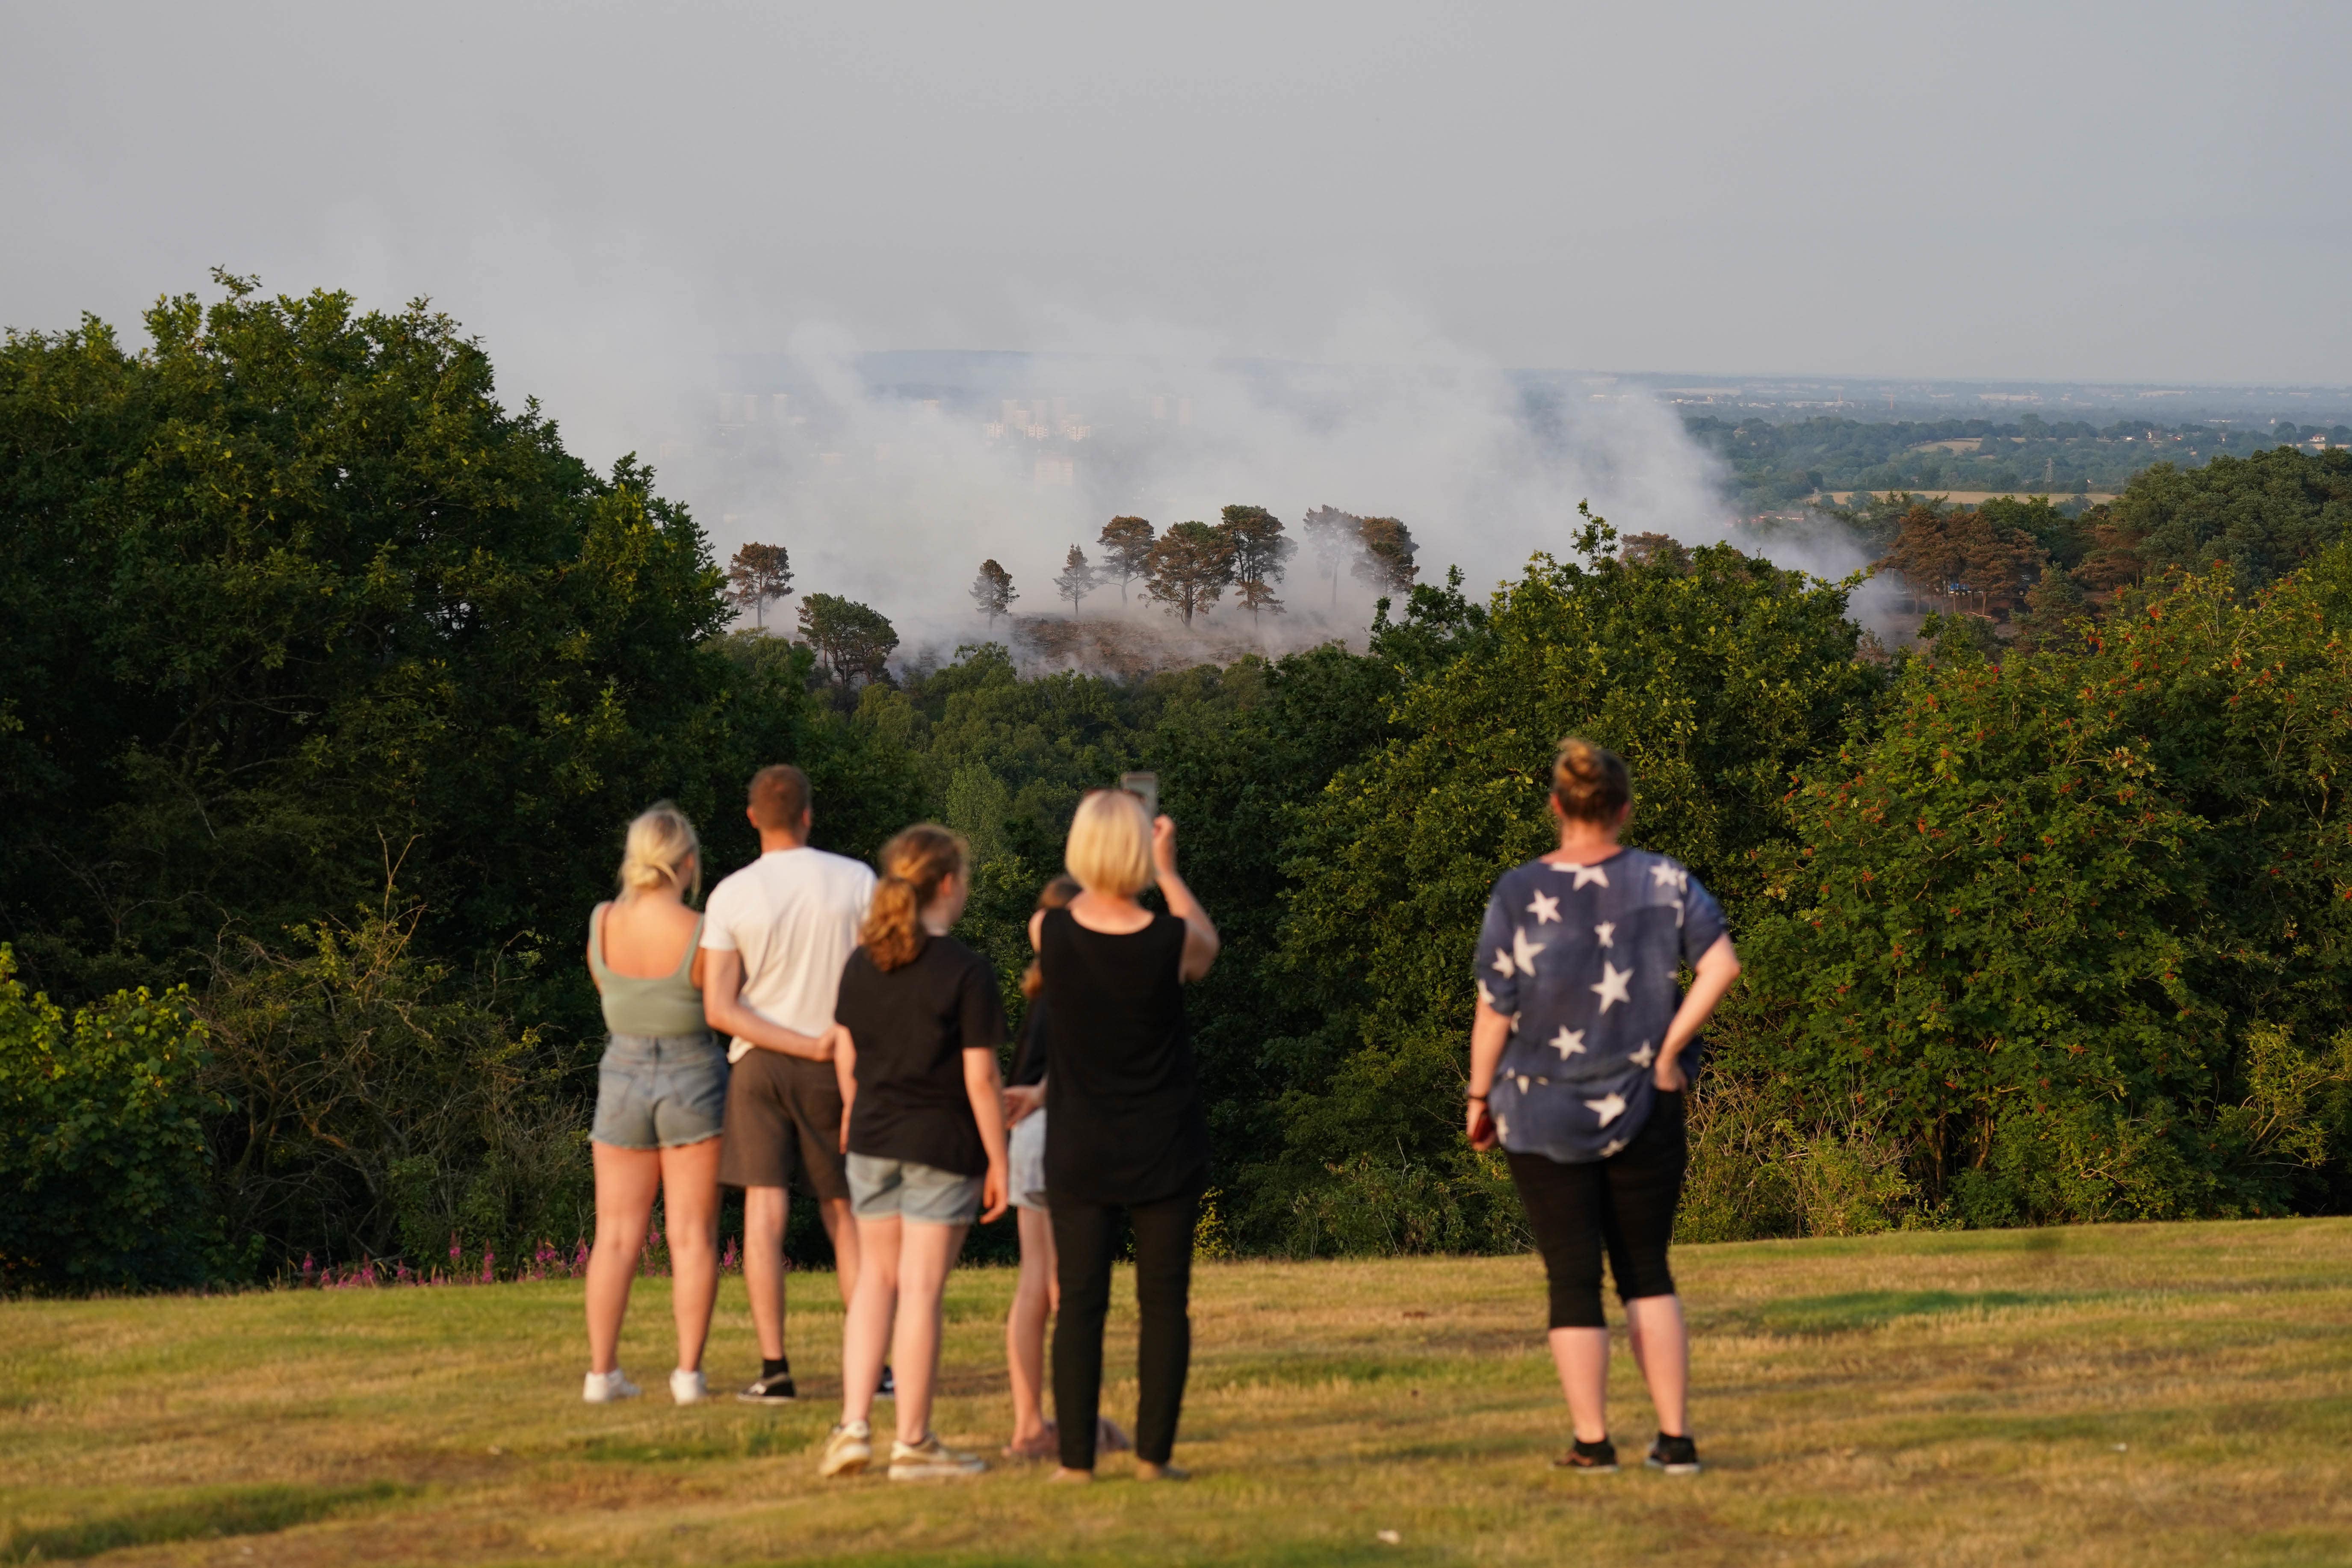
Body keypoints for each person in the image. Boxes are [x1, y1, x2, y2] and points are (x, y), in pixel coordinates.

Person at [1465, 738, 1741, 1476]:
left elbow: (1495, 1009)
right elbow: (1721, 965)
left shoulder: (1518, 891)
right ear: (1623, 809)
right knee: (1647, 1269)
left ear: (1557, 807)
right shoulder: (1665, 880)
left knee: (1572, 1276)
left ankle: (1593, 1443)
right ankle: (1675, 1441)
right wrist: (1670, 1049)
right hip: (1648, 1101)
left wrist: (1477, 1096)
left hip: (1539, 1108)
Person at [1033, 790, 1219, 1483]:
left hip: (1080, 1140)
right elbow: (1209, 946)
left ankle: (1077, 1462)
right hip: (1165, 1138)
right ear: (1142, 849)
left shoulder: (1047, 932)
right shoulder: (1172, 941)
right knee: (1164, 1302)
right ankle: (1153, 1456)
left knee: (1080, 1303)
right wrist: (1168, 872)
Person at [816, 826, 1011, 1481]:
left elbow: (845, 1050)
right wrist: (1001, 1159)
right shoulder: (967, 971)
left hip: (870, 1139)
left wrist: (851, 1111)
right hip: (941, 1144)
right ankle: (915, 1443)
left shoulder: (860, 963)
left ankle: (852, 1427)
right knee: (922, 1290)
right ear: (949, 884)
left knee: (876, 1281)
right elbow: (981, 1079)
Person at [702, 764, 877, 1403]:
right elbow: (881, 978)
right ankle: (874, 1367)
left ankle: (774, 1370)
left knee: (764, 1213)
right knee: (844, 1214)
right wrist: (826, 1042)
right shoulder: (856, 881)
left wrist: (790, 1041)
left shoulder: (732, 895)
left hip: (758, 1066)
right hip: (839, 1060)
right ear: (808, 814)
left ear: (752, 818)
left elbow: (720, 1008)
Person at [582, 804, 728, 1406]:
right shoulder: (702, 928)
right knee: (691, 1235)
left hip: (621, 1072)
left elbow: (608, 992)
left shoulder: (603, 922)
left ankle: (601, 1374)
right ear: (687, 862)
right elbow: (719, 999)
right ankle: (688, 1376)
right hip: (694, 1072)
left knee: (615, 1235)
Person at [1002, 875, 1131, 1463]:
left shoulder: (1043, 992)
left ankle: (1034, 1423)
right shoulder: (1081, 985)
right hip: (1065, 1128)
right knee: (1072, 1288)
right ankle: (1071, 1421)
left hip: (1029, 1139)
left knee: (1040, 1282)